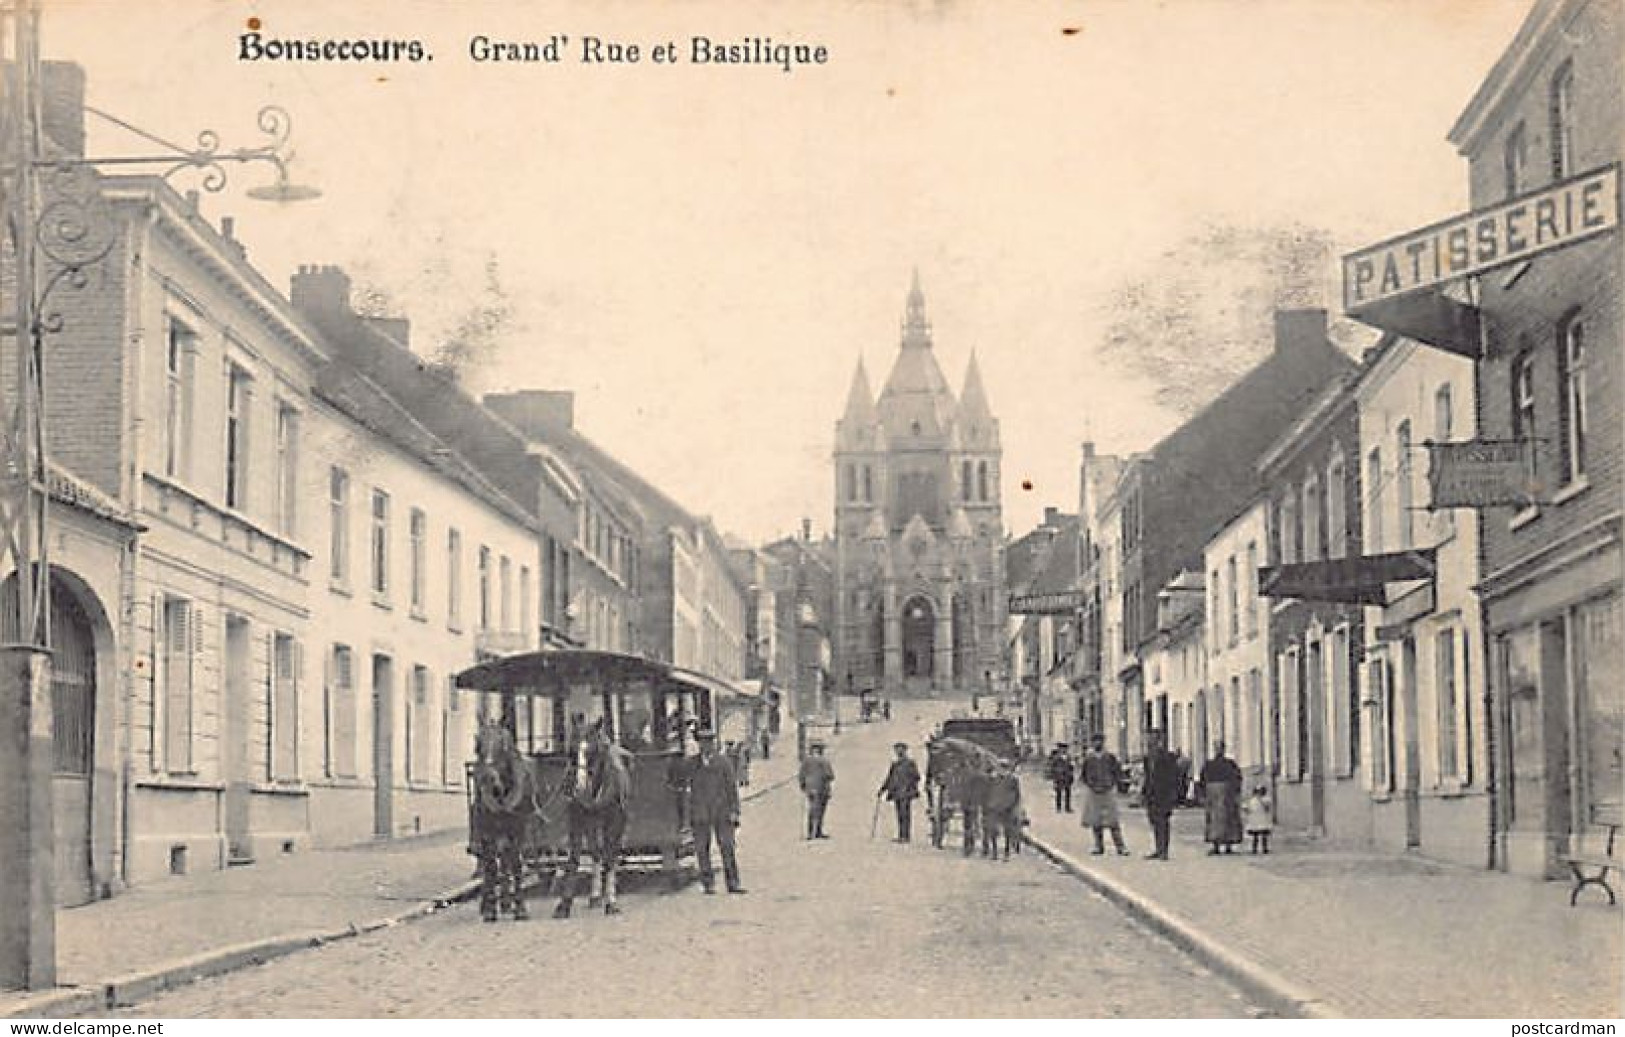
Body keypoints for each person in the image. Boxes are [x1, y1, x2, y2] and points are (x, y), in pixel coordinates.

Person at [689, 730, 746, 894]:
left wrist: (735, 810)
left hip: (722, 811)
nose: (705, 746)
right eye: (702, 743)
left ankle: (733, 883)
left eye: (708, 743)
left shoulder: (723, 763)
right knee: (702, 849)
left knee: (727, 847)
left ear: (713, 744)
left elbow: (731, 788)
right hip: (700, 812)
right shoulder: (693, 764)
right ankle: (708, 884)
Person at [1079, 733, 1129, 855]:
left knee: (1112, 820)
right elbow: (1084, 775)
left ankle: (1120, 847)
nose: (1098, 744)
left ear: (1103, 742)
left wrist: (1115, 784)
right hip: (1094, 792)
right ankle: (1098, 846)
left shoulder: (1110, 757)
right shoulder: (1088, 759)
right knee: (1096, 821)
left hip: (1108, 791)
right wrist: (1091, 784)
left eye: (1100, 741)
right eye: (1095, 741)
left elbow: (1117, 772)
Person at [1141, 730, 1182, 860]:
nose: (1150, 743)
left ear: (1160, 741)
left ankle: (1164, 850)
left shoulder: (1167, 758)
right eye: (1149, 740)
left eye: (1153, 740)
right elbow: (1148, 777)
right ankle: (1158, 848)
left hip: (1164, 794)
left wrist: (1174, 794)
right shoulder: (1147, 759)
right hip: (1151, 795)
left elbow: (1174, 777)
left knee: (1163, 822)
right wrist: (1143, 793)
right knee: (1153, 821)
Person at [1198, 742, 1245, 855]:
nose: (1218, 751)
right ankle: (1217, 845)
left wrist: (1236, 792)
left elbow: (1237, 778)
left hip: (1224, 795)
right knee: (1219, 820)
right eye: (1217, 748)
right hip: (1218, 795)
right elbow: (1203, 780)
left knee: (1227, 819)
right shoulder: (1215, 765)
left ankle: (1226, 845)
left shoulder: (1227, 764)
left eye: (1220, 748)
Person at [877, 741, 922, 842]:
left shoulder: (910, 763)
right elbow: (889, 778)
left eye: (901, 749)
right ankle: (901, 835)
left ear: (905, 751)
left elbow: (916, 777)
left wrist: (910, 786)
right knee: (899, 815)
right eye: (897, 749)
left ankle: (906, 836)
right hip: (896, 792)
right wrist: (882, 789)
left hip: (906, 792)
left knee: (905, 814)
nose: (898, 751)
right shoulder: (895, 764)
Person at [799, 740, 835, 839]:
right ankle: (818, 831)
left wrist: (803, 786)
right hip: (822, 788)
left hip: (810, 788)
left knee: (812, 809)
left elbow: (801, 774)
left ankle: (810, 832)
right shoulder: (824, 761)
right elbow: (830, 775)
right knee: (820, 810)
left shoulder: (806, 761)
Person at [1242, 782, 1273, 855]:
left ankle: (1264, 848)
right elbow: (1247, 808)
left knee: (1263, 835)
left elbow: (1267, 808)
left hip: (1263, 819)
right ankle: (1254, 849)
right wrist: (1246, 809)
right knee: (1255, 836)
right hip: (1254, 820)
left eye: (1260, 792)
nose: (1259, 793)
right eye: (1257, 792)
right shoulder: (1252, 800)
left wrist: (1261, 801)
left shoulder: (1266, 799)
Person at [1044, 742, 1076, 813]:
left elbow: (1071, 767)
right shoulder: (1056, 758)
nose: (1063, 750)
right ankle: (1058, 807)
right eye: (1062, 748)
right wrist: (1055, 774)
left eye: (1065, 748)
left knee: (1068, 792)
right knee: (1058, 793)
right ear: (1059, 749)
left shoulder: (1068, 757)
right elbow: (1052, 767)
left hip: (1067, 777)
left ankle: (1067, 807)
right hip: (1059, 777)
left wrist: (1071, 770)